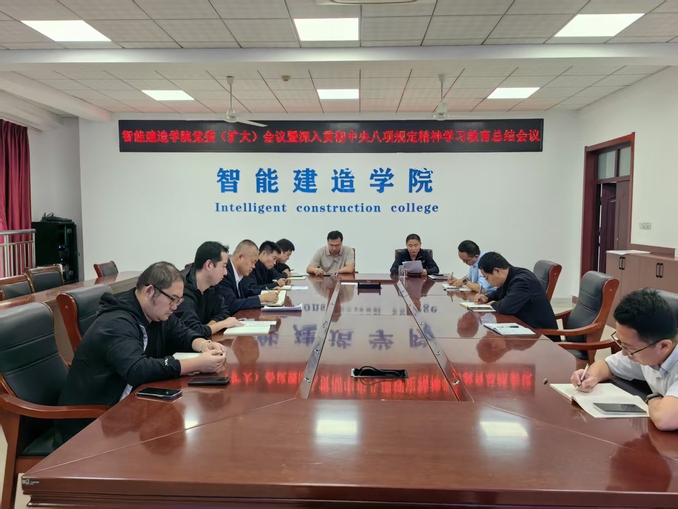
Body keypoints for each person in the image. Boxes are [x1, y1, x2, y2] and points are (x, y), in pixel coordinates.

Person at [55, 261, 227, 446]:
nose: (175, 307)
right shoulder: (117, 322)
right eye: (172, 299)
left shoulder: (155, 313)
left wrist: (204, 345)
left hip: (125, 410)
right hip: (91, 426)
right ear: (150, 291)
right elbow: (137, 369)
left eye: (179, 301)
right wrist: (196, 364)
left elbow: (181, 332)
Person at [571, 289, 678, 432]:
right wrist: (591, 377)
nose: (624, 353)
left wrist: (653, 397)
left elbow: (665, 419)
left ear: (664, 346)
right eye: (621, 343)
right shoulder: (647, 351)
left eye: (630, 348)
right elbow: (606, 364)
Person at [475, 252, 558, 333]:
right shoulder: (510, 276)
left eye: (487, 278)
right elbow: (498, 294)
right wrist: (487, 298)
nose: (488, 282)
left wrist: (492, 304)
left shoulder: (522, 281)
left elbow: (505, 307)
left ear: (497, 271)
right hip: (525, 328)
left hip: (540, 335)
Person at [175, 241, 243, 337]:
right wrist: (223, 324)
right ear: (209, 265)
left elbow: (224, 312)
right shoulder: (182, 290)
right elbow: (193, 331)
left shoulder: (212, 286)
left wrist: (209, 327)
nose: (226, 272)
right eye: (223, 266)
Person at [216, 239, 280, 313]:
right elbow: (231, 304)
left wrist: (267, 292)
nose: (253, 266)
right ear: (240, 257)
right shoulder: (224, 273)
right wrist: (260, 298)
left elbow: (248, 292)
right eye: (252, 262)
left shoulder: (239, 273)